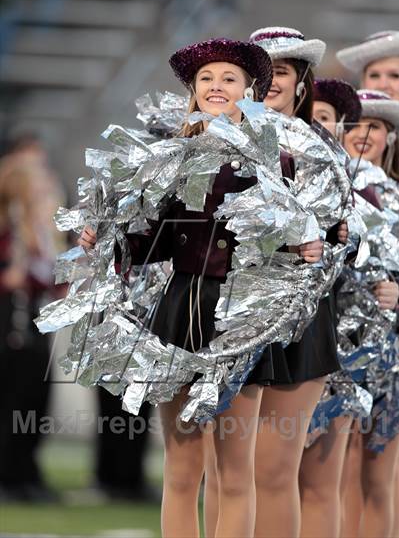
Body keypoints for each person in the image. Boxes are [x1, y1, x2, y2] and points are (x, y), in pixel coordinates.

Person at [79, 37, 325, 538]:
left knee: (235, 472)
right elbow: (153, 242)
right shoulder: (171, 156)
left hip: (242, 316)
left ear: (250, 91)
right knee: (182, 468)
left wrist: (307, 243)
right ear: (192, 91)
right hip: (180, 310)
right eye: (206, 79)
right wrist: (108, 238)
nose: (216, 87)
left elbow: (295, 235)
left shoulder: (276, 161)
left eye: (229, 79)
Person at [245, 26, 348, 538]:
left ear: (302, 82)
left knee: (273, 469)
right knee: (228, 472)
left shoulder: (323, 149)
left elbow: (341, 239)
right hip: (230, 320)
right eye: (260, 71)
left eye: (280, 71)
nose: (269, 82)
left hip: (300, 319)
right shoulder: (219, 137)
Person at [338, 31, 399, 537]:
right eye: (375, 76)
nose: (385, 83)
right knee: (347, 464)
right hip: (352, 328)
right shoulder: (338, 156)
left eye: (395, 75)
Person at [298, 78, 362, 538]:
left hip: (332, 334)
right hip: (259, 329)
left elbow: (355, 246)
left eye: (325, 120)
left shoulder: (341, 175)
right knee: (259, 474)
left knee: (323, 482)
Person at [0, 132, 65, 502]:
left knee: (34, 400)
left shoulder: (40, 231)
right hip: (10, 322)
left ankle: (26, 472)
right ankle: (9, 475)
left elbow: (52, 279)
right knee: (13, 401)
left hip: (35, 322)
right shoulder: (9, 229)